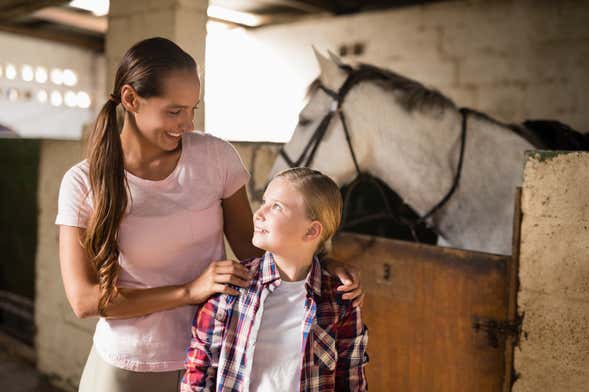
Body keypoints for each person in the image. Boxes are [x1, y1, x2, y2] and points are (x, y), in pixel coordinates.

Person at [55, 37, 363, 392]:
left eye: (192, 109)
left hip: (216, 357)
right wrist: (189, 290)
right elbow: (84, 299)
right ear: (130, 99)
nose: (186, 124)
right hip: (128, 368)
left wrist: (321, 269)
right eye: (174, 111)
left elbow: (256, 252)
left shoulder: (215, 157)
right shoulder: (82, 183)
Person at [181, 167, 369, 392]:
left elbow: (351, 380)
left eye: (277, 207)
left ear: (311, 232)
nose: (259, 213)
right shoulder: (230, 286)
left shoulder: (340, 301)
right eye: (264, 201)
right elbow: (198, 373)